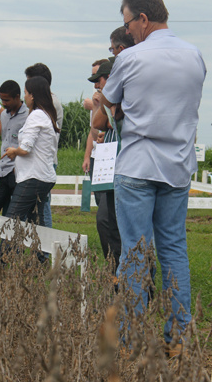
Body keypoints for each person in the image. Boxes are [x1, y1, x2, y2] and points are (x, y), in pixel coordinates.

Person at [92, 0, 206, 353]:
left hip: (139, 164)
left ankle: (130, 339)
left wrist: (112, 106)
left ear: (143, 18)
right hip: (177, 167)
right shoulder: (195, 56)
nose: (127, 31)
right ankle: (179, 338)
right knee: (174, 249)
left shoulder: (131, 58)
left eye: (127, 24)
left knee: (135, 253)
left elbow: (105, 110)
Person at [2, 76, 60, 225]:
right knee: (36, 223)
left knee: (12, 222)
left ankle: (6, 249)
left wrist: (13, 151)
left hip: (33, 178)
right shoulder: (45, 114)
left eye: (26, 93)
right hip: (42, 177)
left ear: (32, 95)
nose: (24, 97)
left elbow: (26, 148)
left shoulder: (36, 115)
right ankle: (41, 249)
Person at [87, 60, 122, 271]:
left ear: (109, 79)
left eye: (98, 81)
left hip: (123, 167)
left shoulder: (119, 98)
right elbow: (97, 126)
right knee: (105, 220)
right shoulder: (106, 102)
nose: (96, 87)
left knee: (111, 221)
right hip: (107, 166)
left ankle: (121, 270)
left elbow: (111, 122)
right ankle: (115, 268)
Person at [24, 63, 63, 228]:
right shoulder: (44, 103)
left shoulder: (48, 103)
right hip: (39, 161)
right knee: (37, 206)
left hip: (43, 161)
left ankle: (45, 248)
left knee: (42, 205)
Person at [0, 80, 30, 215]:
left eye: (7, 100)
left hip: (18, 171)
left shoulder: (29, 115)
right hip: (3, 170)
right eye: (2, 100)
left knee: (14, 212)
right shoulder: (4, 115)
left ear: (17, 97)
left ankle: (11, 237)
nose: (4, 103)